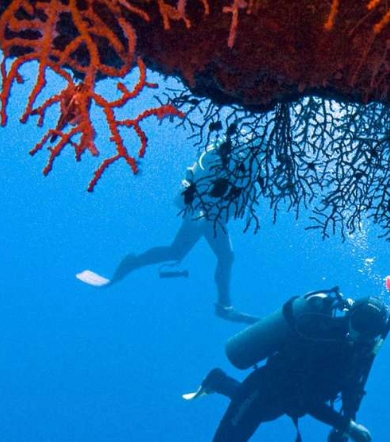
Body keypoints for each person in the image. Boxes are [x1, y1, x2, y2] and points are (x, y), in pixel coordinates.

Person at [126, 279, 390, 442]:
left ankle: (220, 381)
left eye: (371, 328)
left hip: (278, 403)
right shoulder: (324, 341)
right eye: (359, 322)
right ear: (350, 316)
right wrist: (347, 426)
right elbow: (306, 401)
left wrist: (344, 425)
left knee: (266, 414)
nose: (362, 332)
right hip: (261, 392)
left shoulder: (359, 353)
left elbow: (353, 389)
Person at [75, 132, 262, 324]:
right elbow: (204, 174)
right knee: (187, 253)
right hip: (200, 208)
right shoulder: (230, 150)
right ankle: (222, 306)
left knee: (194, 253)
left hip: (213, 212)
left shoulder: (251, 158)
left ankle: (223, 306)